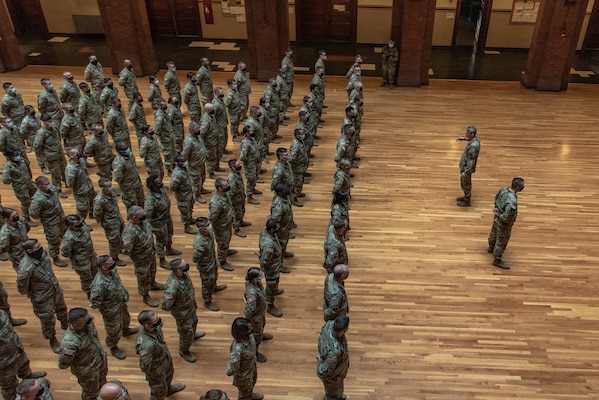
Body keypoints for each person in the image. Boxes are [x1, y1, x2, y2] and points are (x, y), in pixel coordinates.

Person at [17, 239, 68, 353]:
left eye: (40, 245)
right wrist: (33, 295)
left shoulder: (42, 253)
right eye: (37, 247)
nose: (41, 248)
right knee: (47, 319)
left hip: (54, 288)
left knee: (62, 308)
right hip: (41, 296)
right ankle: (52, 339)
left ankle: (66, 325)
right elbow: (22, 288)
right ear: (29, 251)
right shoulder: (25, 268)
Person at [90, 255, 138, 360]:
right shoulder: (98, 285)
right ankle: (113, 346)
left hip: (120, 302)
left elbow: (117, 282)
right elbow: (94, 304)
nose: (113, 264)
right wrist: (108, 305)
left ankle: (126, 330)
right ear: (103, 268)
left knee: (126, 318)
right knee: (114, 330)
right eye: (111, 263)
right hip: (111, 311)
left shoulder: (112, 270)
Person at [160, 258, 206, 363]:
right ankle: (184, 351)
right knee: (186, 333)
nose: (187, 267)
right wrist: (178, 309)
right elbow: (165, 305)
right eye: (184, 266)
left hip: (190, 308)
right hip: (182, 314)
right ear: (178, 270)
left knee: (194, 322)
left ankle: (193, 336)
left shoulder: (183, 275)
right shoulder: (172, 287)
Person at [58, 307, 108, 400]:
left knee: (103, 384)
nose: (91, 320)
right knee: (91, 394)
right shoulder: (70, 343)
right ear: (76, 325)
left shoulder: (87, 324)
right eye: (88, 320)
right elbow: (63, 364)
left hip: (100, 361)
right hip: (88, 373)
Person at [122, 205, 165, 307]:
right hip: (141, 259)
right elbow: (126, 250)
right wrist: (137, 256)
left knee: (152, 270)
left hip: (150, 253)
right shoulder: (129, 232)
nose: (144, 216)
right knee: (143, 277)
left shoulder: (143, 222)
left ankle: (153, 284)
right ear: (134, 217)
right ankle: (145, 296)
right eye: (141, 215)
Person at [136, 310, 185, 399]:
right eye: (155, 320)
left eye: (157, 317)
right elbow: (145, 366)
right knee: (158, 392)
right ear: (147, 325)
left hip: (164, 358)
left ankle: (168, 389)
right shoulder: (146, 345)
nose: (159, 321)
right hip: (156, 370)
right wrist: (154, 373)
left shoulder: (154, 327)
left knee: (169, 375)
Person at [0, 310, 47, 400]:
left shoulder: (2, 314)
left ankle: (28, 377)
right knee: (9, 386)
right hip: (3, 362)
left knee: (24, 364)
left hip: (16, 348)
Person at [29, 176, 68, 266]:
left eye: (49, 182)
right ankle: (55, 257)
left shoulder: (51, 189)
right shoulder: (38, 199)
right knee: (54, 240)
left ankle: (67, 250)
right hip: (51, 223)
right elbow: (34, 214)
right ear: (40, 186)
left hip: (61, 218)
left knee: (65, 235)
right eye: (47, 184)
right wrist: (46, 216)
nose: (50, 185)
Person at [145, 175, 181, 269]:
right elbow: (147, 216)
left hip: (167, 218)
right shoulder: (150, 200)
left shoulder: (162, 190)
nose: (161, 183)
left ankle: (169, 249)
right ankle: (162, 260)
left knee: (169, 234)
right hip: (158, 223)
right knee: (161, 241)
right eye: (158, 182)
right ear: (153, 186)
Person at [488, 178, 525, 270]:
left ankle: (491, 247)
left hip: (496, 218)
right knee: (501, 241)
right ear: (518, 187)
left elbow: (496, 198)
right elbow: (507, 216)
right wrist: (500, 216)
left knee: (493, 233)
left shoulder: (503, 190)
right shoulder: (512, 201)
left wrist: (497, 210)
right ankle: (497, 259)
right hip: (503, 224)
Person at [193, 217, 227, 312]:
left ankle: (214, 287)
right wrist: (204, 264)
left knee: (214, 277)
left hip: (212, 261)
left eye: (209, 224)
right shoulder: (200, 242)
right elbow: (195, 258)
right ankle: (207, 301)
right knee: (207, 283)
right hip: (206, 267)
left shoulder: (209, 234)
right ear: (201, 229)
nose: (210, 226)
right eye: (207, 225)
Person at [226, 317, 263, 400]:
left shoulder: (249, 336)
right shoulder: (237, 349)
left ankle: (250, 394)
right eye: (249, 329)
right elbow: (233, 367)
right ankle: (246, 396)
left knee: (252, 383)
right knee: (244, 392)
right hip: (244, 375)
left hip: (251, 367)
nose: (252, 328)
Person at [60, 214, 97, 297]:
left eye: (80, 223)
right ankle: (89, 293)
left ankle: (97, 288)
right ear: (70, 226)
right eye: (77, 225)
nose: (80, 226)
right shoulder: (69, 238)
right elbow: (65, 253)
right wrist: (76, 256)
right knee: (86, 278)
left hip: (91, 254)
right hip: (81, 260)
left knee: (95, 272)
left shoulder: (82, 226)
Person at [93, 178, 127, 266]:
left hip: (117, 218)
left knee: (121, 235)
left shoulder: (111, 193)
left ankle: (120, 249)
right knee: (113, 241)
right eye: (109, 186)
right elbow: (97, 215)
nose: (111, 187)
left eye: (111, 185)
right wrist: (105, 223)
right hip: (110, 223)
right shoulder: (99, 200)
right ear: (103, 188)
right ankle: (114, 257)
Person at [34, 113, 67, 198]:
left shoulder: (55, 128)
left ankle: (67, 182)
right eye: (49, 122)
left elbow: (58, 138)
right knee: (56, 175)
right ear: (44, 122)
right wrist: (43, 158)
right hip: (51, 157)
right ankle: (58, 189)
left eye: (51, 121)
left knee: (64, 169)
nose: (51, 123)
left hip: (59, 154)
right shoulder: (41, 133)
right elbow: (37, 147)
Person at [317, 315, 350, 400]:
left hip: (338, 373)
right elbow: (324, 370)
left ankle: (338, 395)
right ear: (344, 330)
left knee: (338, 391)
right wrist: (320, 363)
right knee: (332, 396)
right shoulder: (334, 351)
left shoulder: (329, 324)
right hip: (333, 379)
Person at [244, 267, 272, 363]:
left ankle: (260, 333)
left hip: (260, 312)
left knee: (263, 324)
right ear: (253, 278)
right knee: (256, 335)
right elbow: (251, 309)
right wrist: (253, 320)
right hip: (255, 316)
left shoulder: (257, 283)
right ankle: (254, 351)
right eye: (258, 277)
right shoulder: (252, 292)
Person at [2, 147, 37, 225]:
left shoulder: (21, 160)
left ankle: (35, 213)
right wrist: (17, 181)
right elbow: (5, 180)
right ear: (10, 157)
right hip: (21, 188)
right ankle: (27, 219)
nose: (17, 155)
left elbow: (28, 167)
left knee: (35, 198)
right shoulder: (8, 166)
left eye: (17, 153)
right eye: (15, 155)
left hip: (30, 184)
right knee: (26, 203)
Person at [209, 178, 237, 271]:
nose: (228, 187)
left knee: (227, 240)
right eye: (226, 186)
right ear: (219, 188)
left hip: (226, 224)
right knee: (222, 244)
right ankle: (222, 261)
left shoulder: (225, 195)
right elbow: (212, 218)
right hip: (221, 228)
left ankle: (226, 251)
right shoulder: (216, 203)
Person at [259, 218, 284, 318]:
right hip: (272, 269)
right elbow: (265, 261)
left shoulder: (265, 230)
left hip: (275, 265)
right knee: (270, 286)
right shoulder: (269, 246)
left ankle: (275, 289)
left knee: (274, 283)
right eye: (277, 227)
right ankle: (270, 305)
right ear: (272, 230)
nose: (279, 227)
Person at [182, 121, 210, 203]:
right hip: (194, 165)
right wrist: (186, 166)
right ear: (191, 130)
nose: (199, 130)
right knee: (196, 181)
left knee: (202, 177)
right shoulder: (188, 142)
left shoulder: (198, 136)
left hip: (201, 162)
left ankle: (201, 189)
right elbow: (184, 155)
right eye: (197, 129)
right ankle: (197, 196)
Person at [65, 148, 96, 219]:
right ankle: (81, 224)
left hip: (88, 187)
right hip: (80, 191)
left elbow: (85, 170)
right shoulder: (71, 169)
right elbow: (70, 184)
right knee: (82, 209)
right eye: (76, 153)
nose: (79, 154)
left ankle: (92, 214)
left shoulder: (81, 160)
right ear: (71, 156)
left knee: (93, 202)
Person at [113, 141, 144, 210]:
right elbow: (117, 178)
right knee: (132, 208)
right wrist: (127, 183)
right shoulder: (119, 162)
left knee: (141, 203)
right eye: (125, 149)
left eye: (127, 147)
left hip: (137, 183)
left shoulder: (130, 154)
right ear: (120, 151)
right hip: (128, 188)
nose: (127, 149)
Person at [170, 155, 196, 234]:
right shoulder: (177, 174)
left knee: (190, 207)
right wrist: (181, 190)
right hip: (183, 196)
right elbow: (172, 187)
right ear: (178, 163)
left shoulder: (185, 168)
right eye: (183, 161)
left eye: (185, 160)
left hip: (189, 192)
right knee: (184, 211)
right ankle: (186, 227)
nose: (185, 162)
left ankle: (190, 219)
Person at [456, 126, 481, 207]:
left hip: (466, 169)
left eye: (467, 133)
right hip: (465, 166)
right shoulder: (475, 139)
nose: (466, 134)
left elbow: (471, 161)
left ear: (472, 134)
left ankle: (467, 201)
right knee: (464, 183)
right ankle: (465, 197)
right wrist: (463, 138)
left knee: (466, 184)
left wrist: (466, 172)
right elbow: (471, 139)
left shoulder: (473, 146)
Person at [270, 183, 294, 260]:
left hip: (285, 227)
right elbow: (275, 220)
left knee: (283, 243)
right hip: (281, 230)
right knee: (279, 246)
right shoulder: (279, 205)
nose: (287, 190)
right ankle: (280, 264)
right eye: (285, 189)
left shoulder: (284, 198)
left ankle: (283, 252)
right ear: (280, 193)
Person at [227, 159, 251, 236]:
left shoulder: (237, 173)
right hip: (235, 200)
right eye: (238, 165)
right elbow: (231, 192)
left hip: (240, 197)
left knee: (242, 211)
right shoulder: (232, 178)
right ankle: (236, 229)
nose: (240, 166)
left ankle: (241, 222)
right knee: (236, 215)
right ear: (233, 167)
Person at [239, 125, 261, 205]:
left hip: (254, 162)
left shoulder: (252, 139)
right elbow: (242, 156)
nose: (253, 132)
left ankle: (253, 189)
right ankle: (249, 196)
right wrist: (247, 164)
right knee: (250, 179)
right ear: (247, 133)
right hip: (250, 164)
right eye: (251, 131)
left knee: (254, 177)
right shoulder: (245, 144)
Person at [154, 99, 176, 175]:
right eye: (163, 105)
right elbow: (157, 130)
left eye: (165, 104)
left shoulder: (165, 112)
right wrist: (162, 137)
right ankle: (168, 169)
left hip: (170, 135)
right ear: (159, 106)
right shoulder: (159, 117)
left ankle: (173, 165)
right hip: (165, 138)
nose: (165, 106)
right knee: (167, 153)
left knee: (173, 151)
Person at [200, 103, 220, 178]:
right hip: (209, 142)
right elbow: (202, 133)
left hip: (214, 140)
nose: (213, 110)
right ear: (207, 110)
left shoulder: (212, 116)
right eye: (212, 109)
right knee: (211, 157)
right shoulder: (205, 120)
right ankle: (211, 173)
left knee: (216, 155)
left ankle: (216, 167)